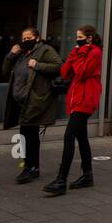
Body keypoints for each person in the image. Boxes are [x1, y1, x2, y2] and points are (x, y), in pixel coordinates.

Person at [43, 25, 103, 197]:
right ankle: (87, 175)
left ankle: (61, 179)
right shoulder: (80, 52)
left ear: (89, 38)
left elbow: (82, 72)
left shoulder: (95, 53)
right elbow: (65, 72)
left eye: (80, 36)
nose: (77, 40)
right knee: (81, 137)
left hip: (86, 99)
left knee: (69, 136)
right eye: (76, 36)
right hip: (76, 98)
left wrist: (80, 53)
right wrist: (74, 54)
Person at [1, 26, 62, 183]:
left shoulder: (44, 50)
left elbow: (58, 66)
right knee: (25, 134)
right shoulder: (21, 53)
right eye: (24, 38)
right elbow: (5, 71)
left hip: (34, 100)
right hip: (20, 101)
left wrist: (37, 65)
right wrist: (11, 55)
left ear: (37, 38)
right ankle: (29, 166)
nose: (26, 41)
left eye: (29, 38)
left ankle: (31, 168)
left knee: (30, 135)